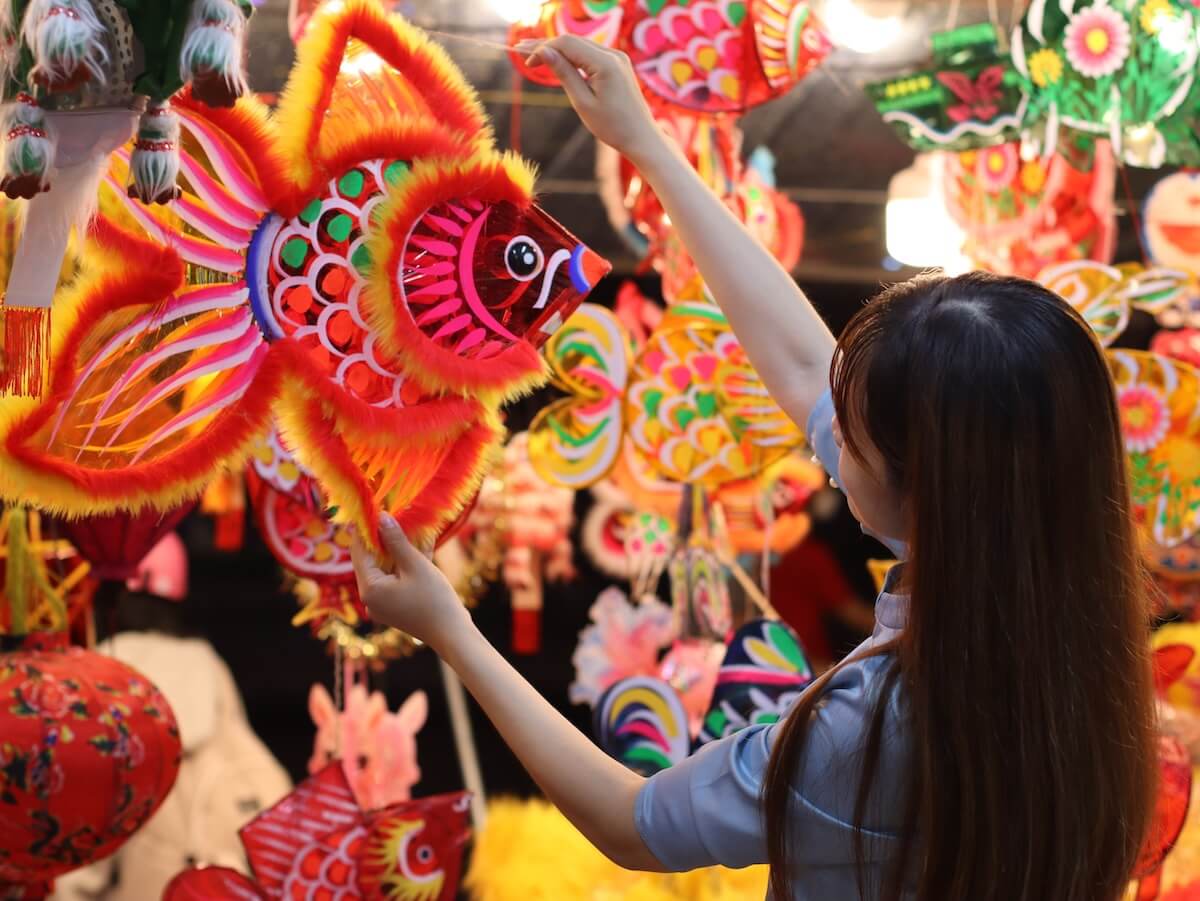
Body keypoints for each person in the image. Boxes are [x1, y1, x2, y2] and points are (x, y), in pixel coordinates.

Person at [350, 36, 1157, 901]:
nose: (826, 441)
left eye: (846, 436)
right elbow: (811, 370)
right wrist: (648, 146)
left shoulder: (868, 729)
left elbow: (631, 822)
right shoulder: (1088, 676)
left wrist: (448, 628)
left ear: (925, 487)